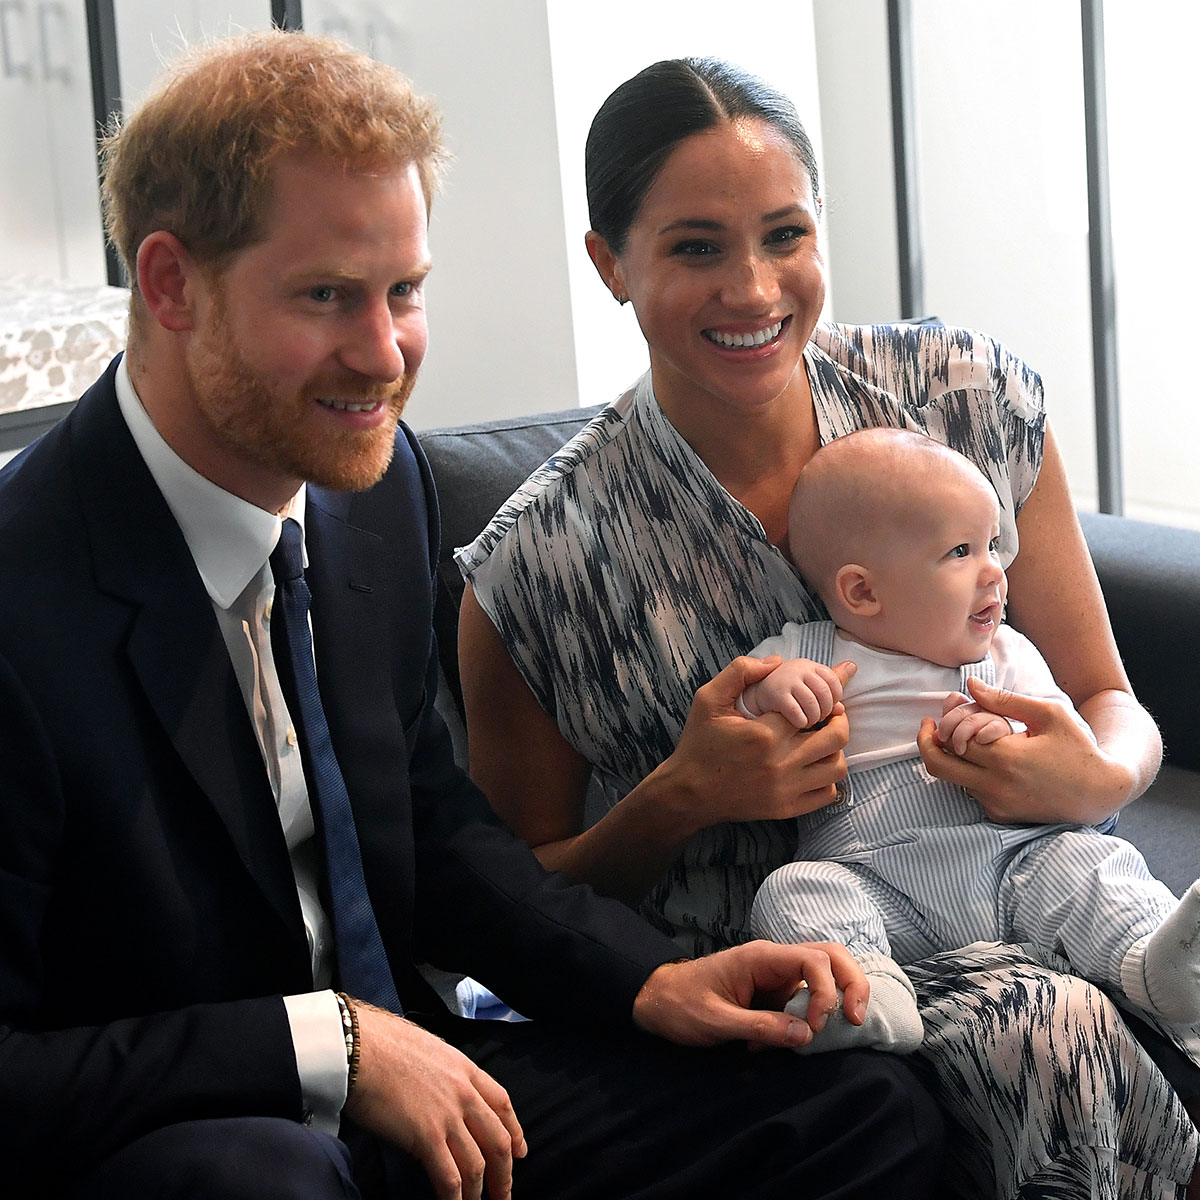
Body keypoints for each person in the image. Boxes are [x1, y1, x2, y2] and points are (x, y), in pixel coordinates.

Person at [0, 32, 950, 1200]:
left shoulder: (373, 491)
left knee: (852, 1110)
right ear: (170, 283)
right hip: (193, 1132)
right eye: (328, 297)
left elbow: (436, 830)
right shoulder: (21, 593)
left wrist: (648, 983)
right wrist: (329, 1043)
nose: (384, 352)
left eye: (405, 292)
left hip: (425, 1085)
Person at [456, 56, 1200, 1198]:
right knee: (1043, 1024)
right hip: (786, 962)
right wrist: (684, 794)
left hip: (1033, 870)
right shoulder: (537, 563)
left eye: (785, 235)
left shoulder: (967, 401)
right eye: (695, 246)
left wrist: (1089, 774)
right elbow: (516, 900)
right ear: (610, 264)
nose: (753, 290)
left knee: (1084, 975)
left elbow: (1113, 701)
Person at [735, 426, 1200, 1058]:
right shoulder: (804, 653)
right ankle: (869, 994)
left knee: (1092, 867)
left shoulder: (1006, 656)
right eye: (960, 551)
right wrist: (774, 692)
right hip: (879, 882)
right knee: (793, 890)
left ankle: (1155, 969)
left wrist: (1006, 734)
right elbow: (734, 710)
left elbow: (1065, 745)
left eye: (992, 545)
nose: (995, 571)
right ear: (861, 591)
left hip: (1020, 866)